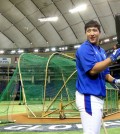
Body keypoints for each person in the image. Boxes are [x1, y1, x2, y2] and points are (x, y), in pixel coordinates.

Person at [75, 20, 120, 134]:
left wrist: (115, 80)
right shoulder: (84, 48)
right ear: (85, 33)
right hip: (88, 97)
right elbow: (93, 70)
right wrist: (113, 57)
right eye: (88, 31)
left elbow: (105, 74)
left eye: (94, 30)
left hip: (97, 98)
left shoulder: (101, 51)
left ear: (100, 32)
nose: (92, 33)